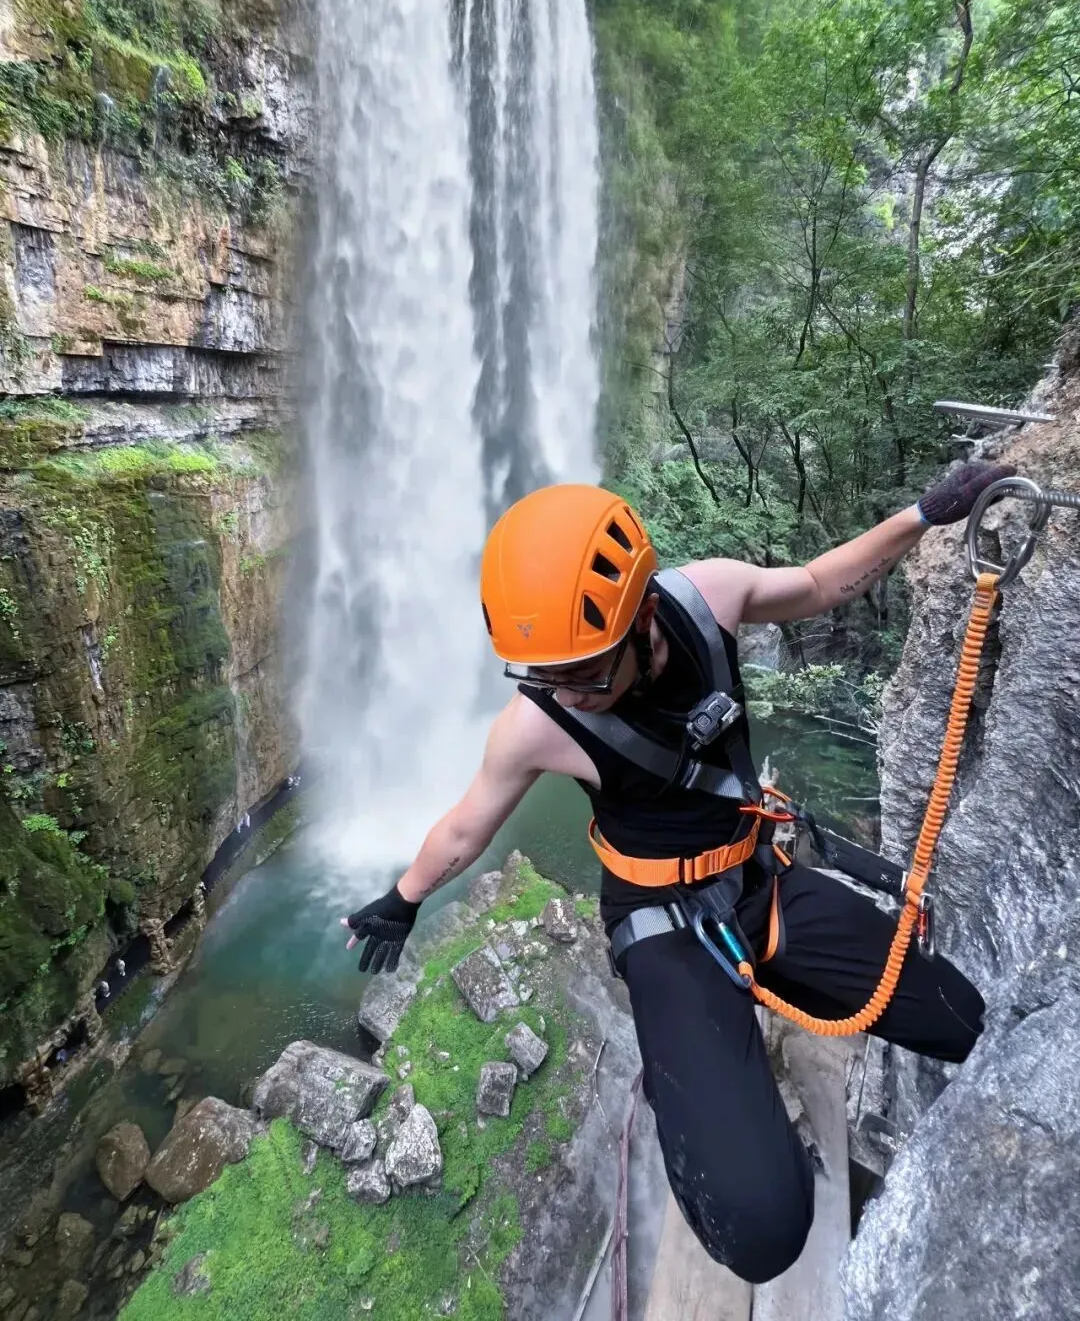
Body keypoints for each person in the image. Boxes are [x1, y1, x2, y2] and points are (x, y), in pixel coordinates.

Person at [341, 466, 1006, 1283]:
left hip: (760, 879)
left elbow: (818, 584)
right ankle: (691, 1080)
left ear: (645, 617)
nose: (565, 694)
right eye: (543, 674)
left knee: (964, 1020)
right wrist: (403, 898)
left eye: (585, 672)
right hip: (663, 926)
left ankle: (734, 1036)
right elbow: (465, 826)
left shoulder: (709, 597)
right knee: (762, 1233)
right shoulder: (537, 725)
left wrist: (922, 515)